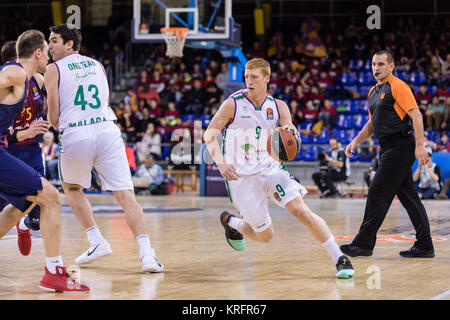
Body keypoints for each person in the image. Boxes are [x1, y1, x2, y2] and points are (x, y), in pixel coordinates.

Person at [204, 58, 355, 279]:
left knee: (301, 211)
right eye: (247, 76)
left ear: (267, 78)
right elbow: (209, 133)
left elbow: (288, 127)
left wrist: (291, 132)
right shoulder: (233, 104)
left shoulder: (278, 106)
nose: (249, 81)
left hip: (271, 168)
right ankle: (231, 221)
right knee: (265, 236)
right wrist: (221, 162)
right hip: (242, 177)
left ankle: (339, 258)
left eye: (254, 77)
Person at [45, 24, 163, 273]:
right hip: (107, 129)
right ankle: (148, 256)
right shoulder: (97, 65)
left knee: (72, 188)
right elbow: (105, 100)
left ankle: (96, 240)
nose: (50, 46)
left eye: (54, 40)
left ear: (69, 44)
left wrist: (54, 125)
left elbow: (54, 114)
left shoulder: (53, 69)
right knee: (126, 196)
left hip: (76, 132)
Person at [0, 29, 88, 293]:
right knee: (50, 196)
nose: (50, 56)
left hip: (6, 149)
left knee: (23, 204)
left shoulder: (29, 80)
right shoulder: (14, 72)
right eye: (47, 52)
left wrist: (21, 133)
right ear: (37, 53)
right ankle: (53, 272)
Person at [340, 50, 435, 258]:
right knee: (409, 197)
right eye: (374, 64)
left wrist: (419, 145)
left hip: (400, 147)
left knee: (377, 191)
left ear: (391, 66)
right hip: (387, 149)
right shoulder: (373, 92)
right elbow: (372, 124)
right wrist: (355, 141)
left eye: (381, 64)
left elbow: (416, 115)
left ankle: (363, 244)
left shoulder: (399, 87)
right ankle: (425, 245)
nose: (376, 68)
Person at [0, 40, 50, 256]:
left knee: (37, 218)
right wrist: (23, 132)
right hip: (9, 151)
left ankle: (24, 226)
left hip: (32, 151)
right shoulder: (7, 86)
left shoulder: (37, 79)